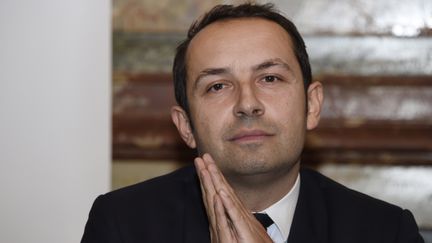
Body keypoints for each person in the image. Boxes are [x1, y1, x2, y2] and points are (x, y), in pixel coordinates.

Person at [81, 3, 424, 243]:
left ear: (312, 105)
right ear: (185, 126)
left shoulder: (384, 231)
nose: (247, 104)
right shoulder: (124, 224)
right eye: (217, 86)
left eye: (270, 79)